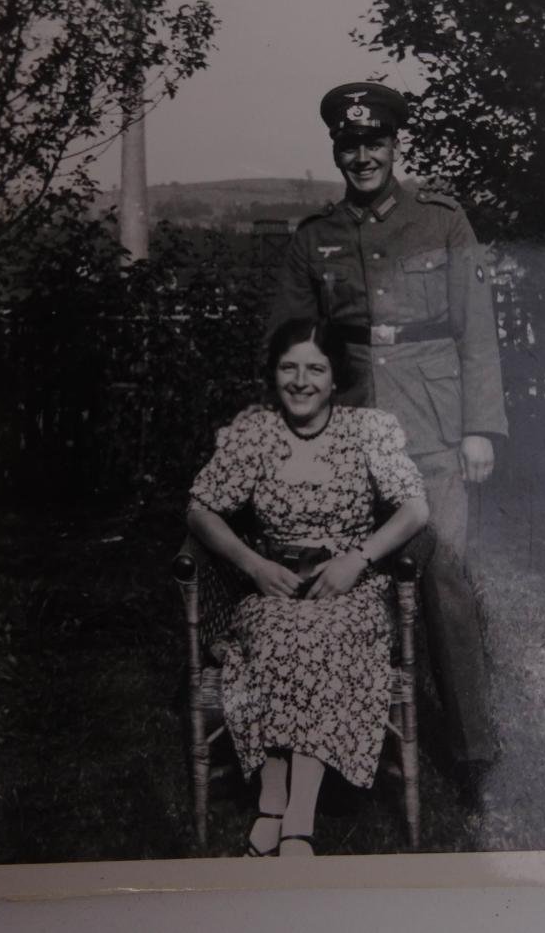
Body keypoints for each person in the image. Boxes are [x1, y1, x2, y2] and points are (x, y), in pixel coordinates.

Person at [267, 82, 508, 785]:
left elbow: (477, 332)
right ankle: (342, 744)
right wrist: (294, 435)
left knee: (445, 577)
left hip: (434, 423)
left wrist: (480, 429)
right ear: (336, 150)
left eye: (375, 143)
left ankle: (472, 753)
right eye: (350, 145)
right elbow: (287, 344)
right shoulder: (316, 238)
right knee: (340, 576)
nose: (363, 156)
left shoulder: (441, 222)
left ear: (395, 146)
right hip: (343, 427)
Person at [186, 317, 428, 857]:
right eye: (288, 367)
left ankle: (293, 821)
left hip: (350, 590)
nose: (301, 381)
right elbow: (201, 510)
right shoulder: (255, 433)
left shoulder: (366, 431)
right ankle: (276, 807)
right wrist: (251, 564)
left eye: (315, 369)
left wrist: (355, 559)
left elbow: (415, 508)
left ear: (334, 377)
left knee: (318, 637)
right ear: (273, 375)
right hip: (274, 586)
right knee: (274, 635)